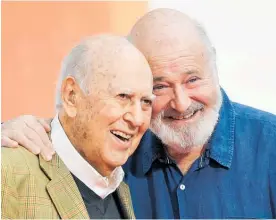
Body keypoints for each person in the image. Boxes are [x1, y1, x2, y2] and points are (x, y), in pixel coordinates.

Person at [2, 8, 276, 218]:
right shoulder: (117, 145)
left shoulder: (270, 145)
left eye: (193, 79)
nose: (180, 103)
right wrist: (8, 131)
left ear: (214, 66)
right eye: (159, 87)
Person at [1, 34, 154, 219]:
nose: (137, 119)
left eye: (146, 102)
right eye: (122, 96)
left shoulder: (125, 187)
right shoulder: (8, 173)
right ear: (71, 96)